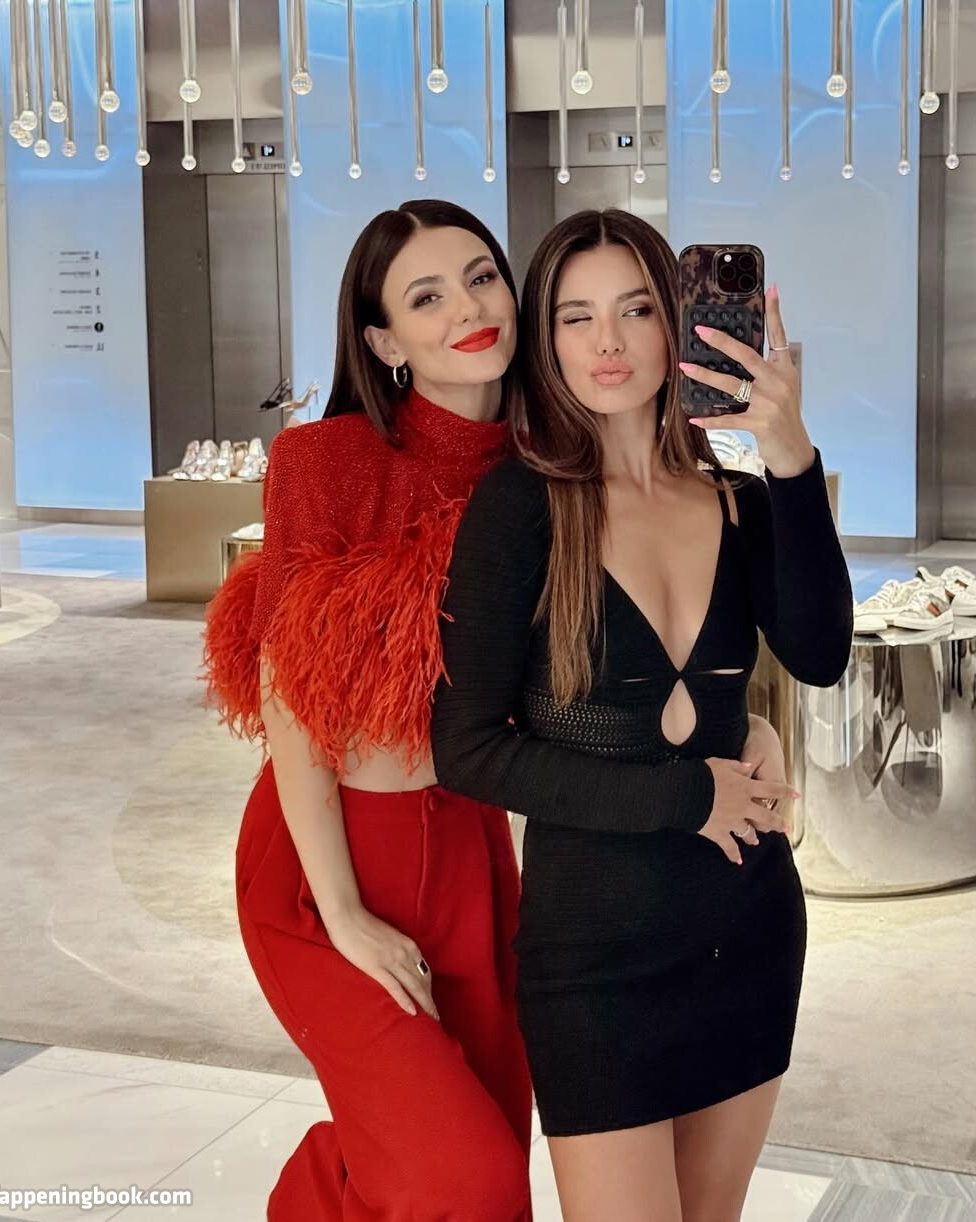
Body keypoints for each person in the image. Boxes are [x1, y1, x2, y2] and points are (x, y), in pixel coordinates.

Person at [431, 208, 853, 1222]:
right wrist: (683, 797)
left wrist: (789, 455)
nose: (608, 343)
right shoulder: (520, 507)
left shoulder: (739, 500)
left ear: (677, 323)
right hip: (593, 956)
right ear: (547, 341)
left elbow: (821, 653)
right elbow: (467, 750)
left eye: (634, 310)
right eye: (576, 317)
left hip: (748, 929)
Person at [203, 199, 534, 1221]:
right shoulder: (325, 460)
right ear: (385, 341)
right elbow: (289, 694)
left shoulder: (547, 471)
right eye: (425, 297)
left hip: (471, 851)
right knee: (461, 1174)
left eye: (481, 277)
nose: (467, 308)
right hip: (326, 858)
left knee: (492, 1152)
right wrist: (342, 912)